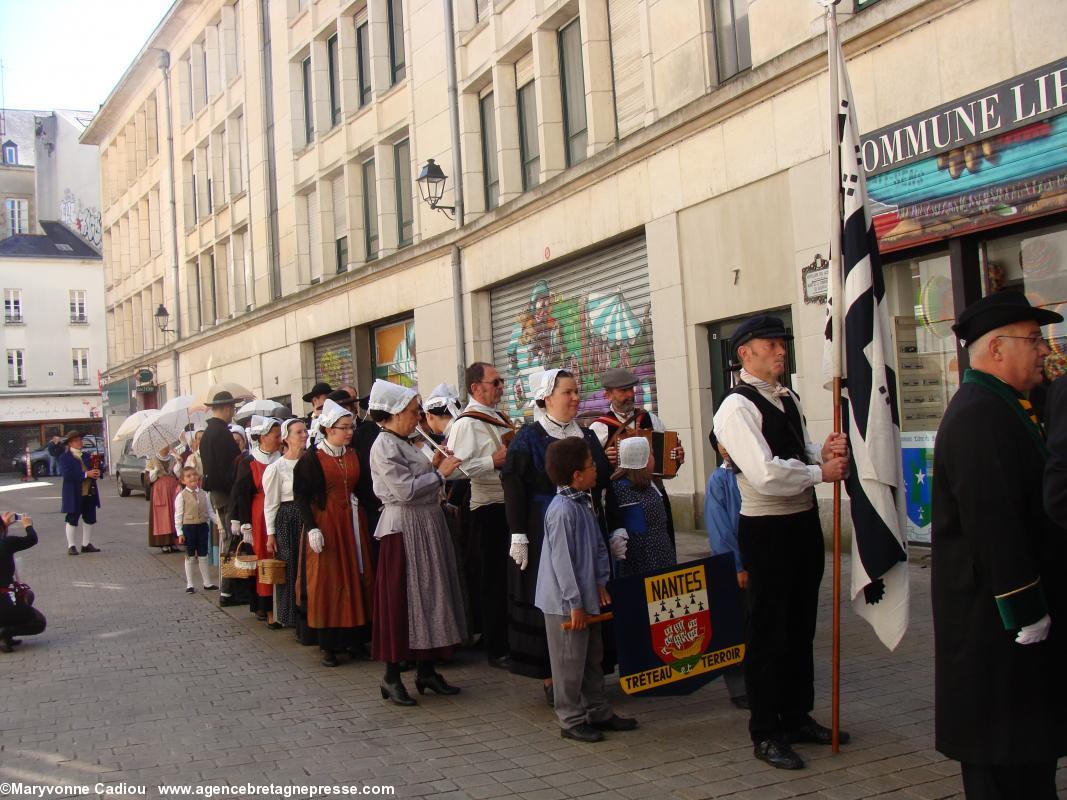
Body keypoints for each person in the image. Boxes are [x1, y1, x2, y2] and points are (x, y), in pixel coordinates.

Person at [932, 292, 1067, 799]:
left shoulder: (1010, 405)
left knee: (1029, 756)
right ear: (995, 350)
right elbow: (994, 524)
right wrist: (1025, 608)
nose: (1042, 351)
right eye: (1032, 340)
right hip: (995, 626)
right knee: (1002, 762)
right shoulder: (978, 414)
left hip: (1011, 628)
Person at [712, 314, 849, 771]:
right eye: (771, 344)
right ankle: (766, 731)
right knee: (768, 632)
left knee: (799, 626)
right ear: (744, 353)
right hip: (767, 530)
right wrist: (819, 473)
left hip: (801, 524)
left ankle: (796, 715)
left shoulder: (786, 397)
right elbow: (766, 473)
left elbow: (794, 449)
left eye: (781, 344)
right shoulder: (736, 408)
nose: (780, 350)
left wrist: (819, 452)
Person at [501, 369, 613, 703]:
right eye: (568, 392)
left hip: (585, 524)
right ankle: (553, 677)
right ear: (547, 397)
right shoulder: (529, 437)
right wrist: (518, 534)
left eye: (577, 391)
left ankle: (589, 678)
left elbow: (603, 480)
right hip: (543, 529)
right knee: (553, 599)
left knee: (589, 591)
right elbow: (514, 486)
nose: (576, 397)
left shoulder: (587, 435)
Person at [367, 380, 466, 705]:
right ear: (395, 413)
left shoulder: (406, 441)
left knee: (430, 595)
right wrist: (440, 475)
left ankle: (426, 669)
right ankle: (391, 676)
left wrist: (436, 463)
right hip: (404, 529)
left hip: (425, 524)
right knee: (403, 601)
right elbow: (404, 490)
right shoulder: (384, 445)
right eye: (413, 411)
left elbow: (418, 478)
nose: (418, 416)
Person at [537, 437, 637, 742]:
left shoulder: (583, 501)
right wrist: (575, 603)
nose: (597, 470)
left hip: (585, 596)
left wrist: (599, 582)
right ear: (576, 475)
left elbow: (596, 546)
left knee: (592, 656)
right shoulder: (561, 511)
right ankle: (570, 719)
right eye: (592, 465)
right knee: (568, 662)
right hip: (565, 603)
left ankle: (598, 710)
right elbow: (563, 563)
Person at [295, 399, 375, 666]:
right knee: (329, 581)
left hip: (353, 521)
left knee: (356, 575)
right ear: (329, 429)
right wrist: (312, 528)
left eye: (351, 427)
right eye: (344, 428)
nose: (350, 432)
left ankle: (356, 639)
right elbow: (301, 496)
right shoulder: (312, 459)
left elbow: (365, 488)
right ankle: (329, 645)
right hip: (327, 522)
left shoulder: (353, 454)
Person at [447, 362, 513, 669]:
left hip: (507, 503)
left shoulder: (499, 416)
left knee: (508, 576)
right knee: (492, 578)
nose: (501, 386)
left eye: (501, 381)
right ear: (476, 388)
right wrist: (491, 461)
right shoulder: (465, 423)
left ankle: (507, 637)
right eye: (495, 381)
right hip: (486, 508)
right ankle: (495, 645)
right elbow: (456, 471)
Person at [589, 367, 683, 548]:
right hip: (622, 502)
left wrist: (676, 458)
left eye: (631, 389)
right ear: (607, 395)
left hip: (655, 494)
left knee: (663, 544)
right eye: (623, 391)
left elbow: (668, 467)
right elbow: (593, 474)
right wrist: (605, 462)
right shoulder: (599, 429)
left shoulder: (651, 420)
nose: (630, 394)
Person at [704, 432, 748, 710]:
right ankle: (739, 686)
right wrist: (736, 566)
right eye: (722, 444)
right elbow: (720, 529)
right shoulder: (719, 480)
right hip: (736, 565)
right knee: (736, 626)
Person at [606, 436, 676, 575]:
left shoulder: (650, 484)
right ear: (641, 459)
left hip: (662, 552)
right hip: (641, 556)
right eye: (651, 454)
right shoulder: (620, 487)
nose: (654, 458)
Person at [263, 418, 308, 631]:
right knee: (289, 564)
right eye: (298, 432)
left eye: (305, 431)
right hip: (287, 517)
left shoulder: (310, 462)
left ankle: (308, 612)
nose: (304, 435)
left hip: (306, 514)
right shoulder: (276, 468)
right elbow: (270, 503)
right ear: (286, 438)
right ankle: (290, 614)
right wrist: (270, 534)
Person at [199, 389, 243, 606]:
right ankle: (227, 590)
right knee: (230, 541)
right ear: (226, 408)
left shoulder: (209, 433)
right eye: (232, 408)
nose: (232, 412)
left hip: (217, 492)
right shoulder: (220, 433)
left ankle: (229, 588)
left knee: (228, 539)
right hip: (225, 493)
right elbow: (228, 468)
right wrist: (235, 491)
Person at [0, 512, 45, 652]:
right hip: (5, 602)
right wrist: (28, 525)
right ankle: (5, 632)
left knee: (28, 595)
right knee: (39, 622)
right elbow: (32, 539)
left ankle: (6, 636)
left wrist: (3, 527)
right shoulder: (7, 543)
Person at [173, 466, 220, 594]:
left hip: (202, 526)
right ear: (183, 481)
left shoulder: (204, 494)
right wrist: (180, 532)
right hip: (188, 528)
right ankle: (190, 584)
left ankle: (207, 583)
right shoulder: (181, 496)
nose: (192, 477)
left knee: (203, 554)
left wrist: (219, 524)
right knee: (190, 556)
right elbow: (178, 515)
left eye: (194, 475)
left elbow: (210, 512)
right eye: (188, 476)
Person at [59, 431, 102, 555]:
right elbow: (67, 475)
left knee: (90, 518)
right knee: (72, 518)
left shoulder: (87, 456)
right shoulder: (64, 457)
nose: (80, 442)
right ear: (70, 443)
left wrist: (98, 471)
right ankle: (71, 546)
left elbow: (96, 469)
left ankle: (86, 544)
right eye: (77, 440)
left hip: (89, 492)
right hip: (74, 493)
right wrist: (85, 474)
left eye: (80, 440)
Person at [146, 445, 181, 553]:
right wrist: (154, 472)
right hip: (160, 490)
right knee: (162, 516)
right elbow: (148, 479)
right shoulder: (152, 460)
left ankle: (174, 542)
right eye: (163, 447)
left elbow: (178, 474)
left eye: (167, 447)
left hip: (172, 489)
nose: (165, 449)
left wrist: (179, 463)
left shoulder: (173, 458)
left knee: (174, 513)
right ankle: (163, 543)